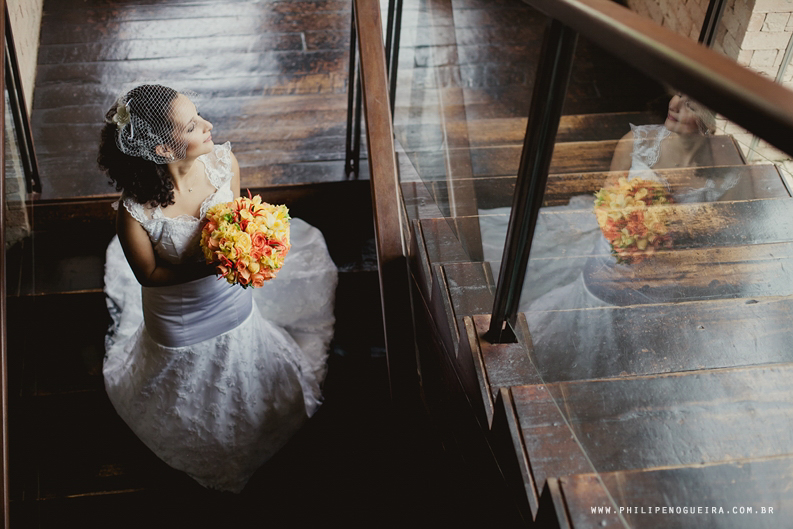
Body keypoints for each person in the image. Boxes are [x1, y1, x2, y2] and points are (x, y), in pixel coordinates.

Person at [98, 84, 338, 493]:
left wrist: (248, 247)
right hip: (176, 314)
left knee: (243, 352)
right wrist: (214, 265)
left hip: (230, 295)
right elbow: (149, 275)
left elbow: (236, 222)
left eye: (199, 116)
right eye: (192, 125)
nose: (208, 126)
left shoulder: (224, 163)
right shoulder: (134, 212)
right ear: (161, 149)